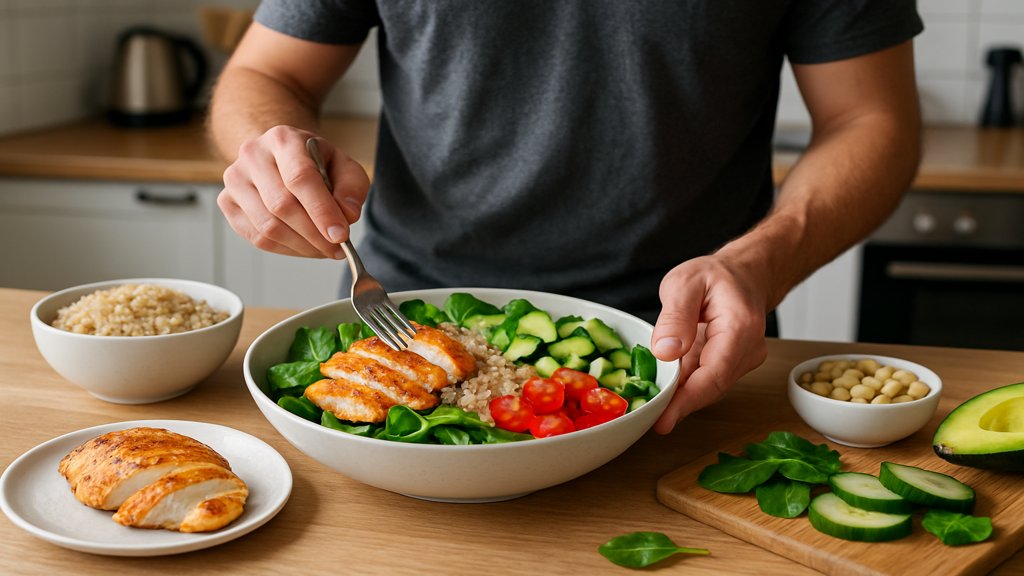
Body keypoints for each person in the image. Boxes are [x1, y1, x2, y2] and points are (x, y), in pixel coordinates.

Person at [208, 1, 923, 435]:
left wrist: (760, 263)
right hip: (399, 328)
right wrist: (270, 148)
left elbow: (870, 117)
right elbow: (268, 74)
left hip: (688, 348)